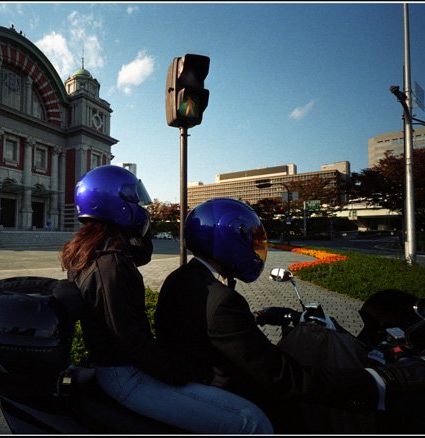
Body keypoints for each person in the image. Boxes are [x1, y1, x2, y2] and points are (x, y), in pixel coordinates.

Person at [154, 197, 425, 433]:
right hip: (234, 392)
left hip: (201, 380)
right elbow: (286, 378)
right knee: (297, 411)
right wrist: (381, 379)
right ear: (230, 236)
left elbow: (199, 328)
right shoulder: (224, 302)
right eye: (252, 239)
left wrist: (257, 317)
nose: (256, 247)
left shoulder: (181, 278)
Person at [60, 166, 273, 434]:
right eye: (135, 199)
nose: (143, 208)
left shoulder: (98, 253)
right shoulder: (110, 265)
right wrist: (201, 372)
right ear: (116, 203)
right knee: (252, 422)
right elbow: (133, 345)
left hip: (121, 369)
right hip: (126, 376)